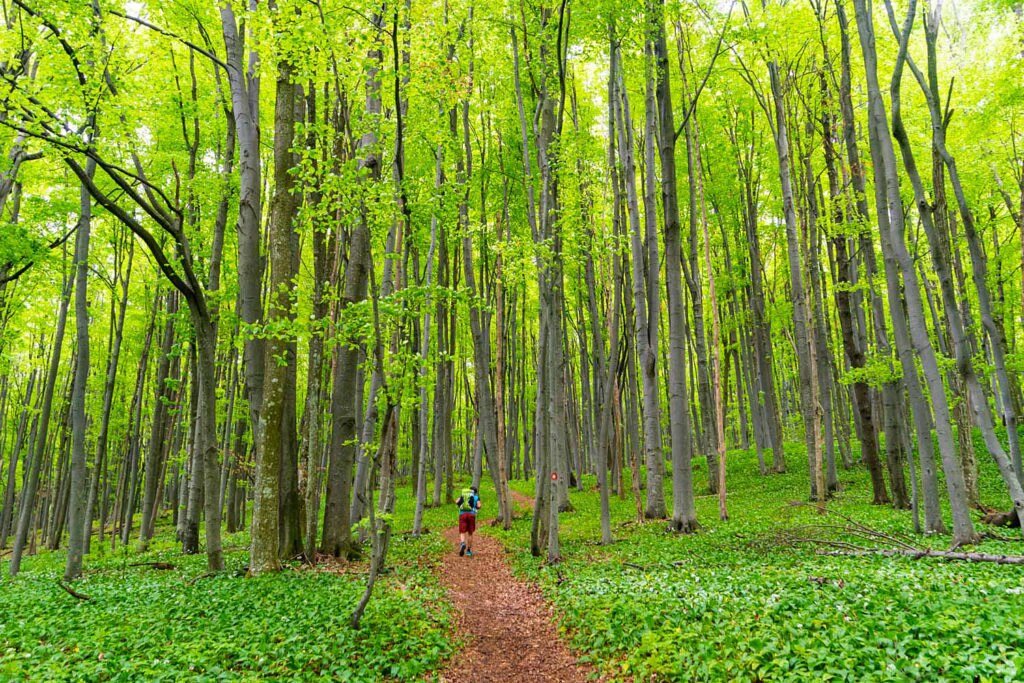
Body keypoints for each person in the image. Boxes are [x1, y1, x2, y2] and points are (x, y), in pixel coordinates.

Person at [456, 485, 481, 557]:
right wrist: (476, 507)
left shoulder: (463, 495)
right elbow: (479, 506)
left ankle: (462, 543)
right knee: (470, 533)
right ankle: (468, 551)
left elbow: (456, 501)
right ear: (475, 492)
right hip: (471, 515)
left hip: (462, 515)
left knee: (462, 531)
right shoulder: (476, 497)